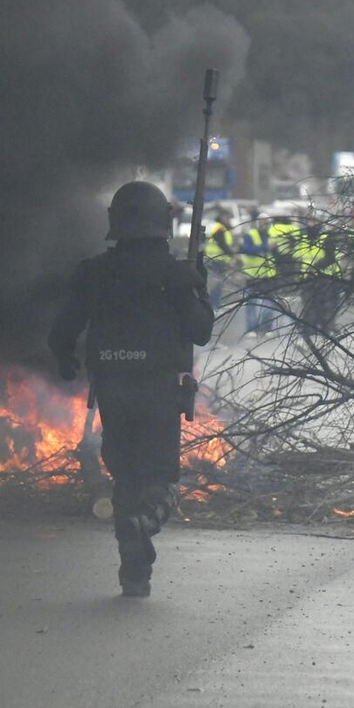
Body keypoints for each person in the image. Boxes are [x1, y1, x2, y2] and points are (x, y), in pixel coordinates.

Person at [49, 182, 214, 598]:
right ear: (162, 223)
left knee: (125, 476)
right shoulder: (174, 274)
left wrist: (66, 360)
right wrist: (199, 287)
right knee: (162, 479)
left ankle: (133, 566)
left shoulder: (94, 273)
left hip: (113, 388)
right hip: (159, 389)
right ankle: (143, 527)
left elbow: (63, 329)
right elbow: (201, 331)